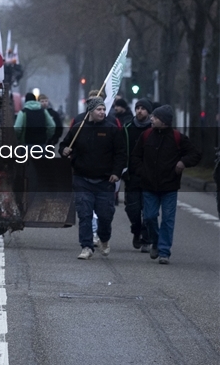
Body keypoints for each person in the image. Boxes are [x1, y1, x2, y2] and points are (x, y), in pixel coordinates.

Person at [131, 105, 201, 264]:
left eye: (154, 117)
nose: (151, 119)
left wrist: (183, 162)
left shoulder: (178, 138)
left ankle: (164, 252)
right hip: (149, 186)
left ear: (164, 121)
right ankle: (155, 240)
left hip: (169, 186)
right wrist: (142, 172)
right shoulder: (146, 135)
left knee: (168, 220)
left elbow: (195, 154)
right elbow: (135, 157)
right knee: (149, 217)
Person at [61, 96, 126, 259]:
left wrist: (116, 173)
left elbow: (121, 154)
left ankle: (104, 238)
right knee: (84, 214)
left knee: (105, 215)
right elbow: (65, 145)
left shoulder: (112, 130)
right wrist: (64, 151)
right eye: (99, 109)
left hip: (105, 181)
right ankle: (86, 246)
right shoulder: (78, 128)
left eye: (104, 109)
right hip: (82, 179)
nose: (103, 112)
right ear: (90, 111)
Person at [121, 99, 154, 251]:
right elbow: (120, 149)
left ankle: (146, 237)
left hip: (150, 176)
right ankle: (137, 230)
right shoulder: (128, 128)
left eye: (143, 108)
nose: (140, 111)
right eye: (137, 108)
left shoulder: (155, 128)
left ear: (149, 111)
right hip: (132, 175)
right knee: (132, 208)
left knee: (149, 210)